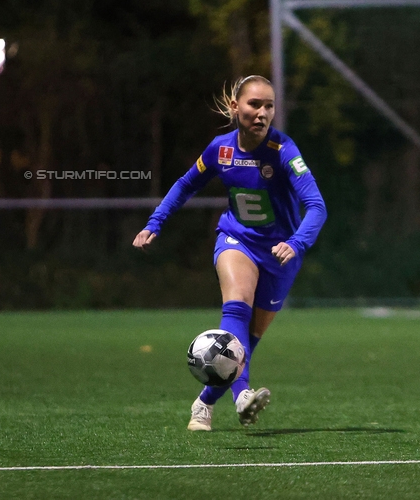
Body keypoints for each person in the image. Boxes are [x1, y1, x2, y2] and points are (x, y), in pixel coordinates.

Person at [133, 75, 327, 431]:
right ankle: (242, 395)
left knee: (249, 338)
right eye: (255, 104)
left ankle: (204, 403)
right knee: (237, 303)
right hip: (235, 239)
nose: (263, 112)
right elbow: (185, 183)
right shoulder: (220, 149)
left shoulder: (284, 151)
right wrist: (155, 223)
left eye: (269, 106)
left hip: (282, 253)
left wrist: (296, 243)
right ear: (236, 107)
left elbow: (317, 206)